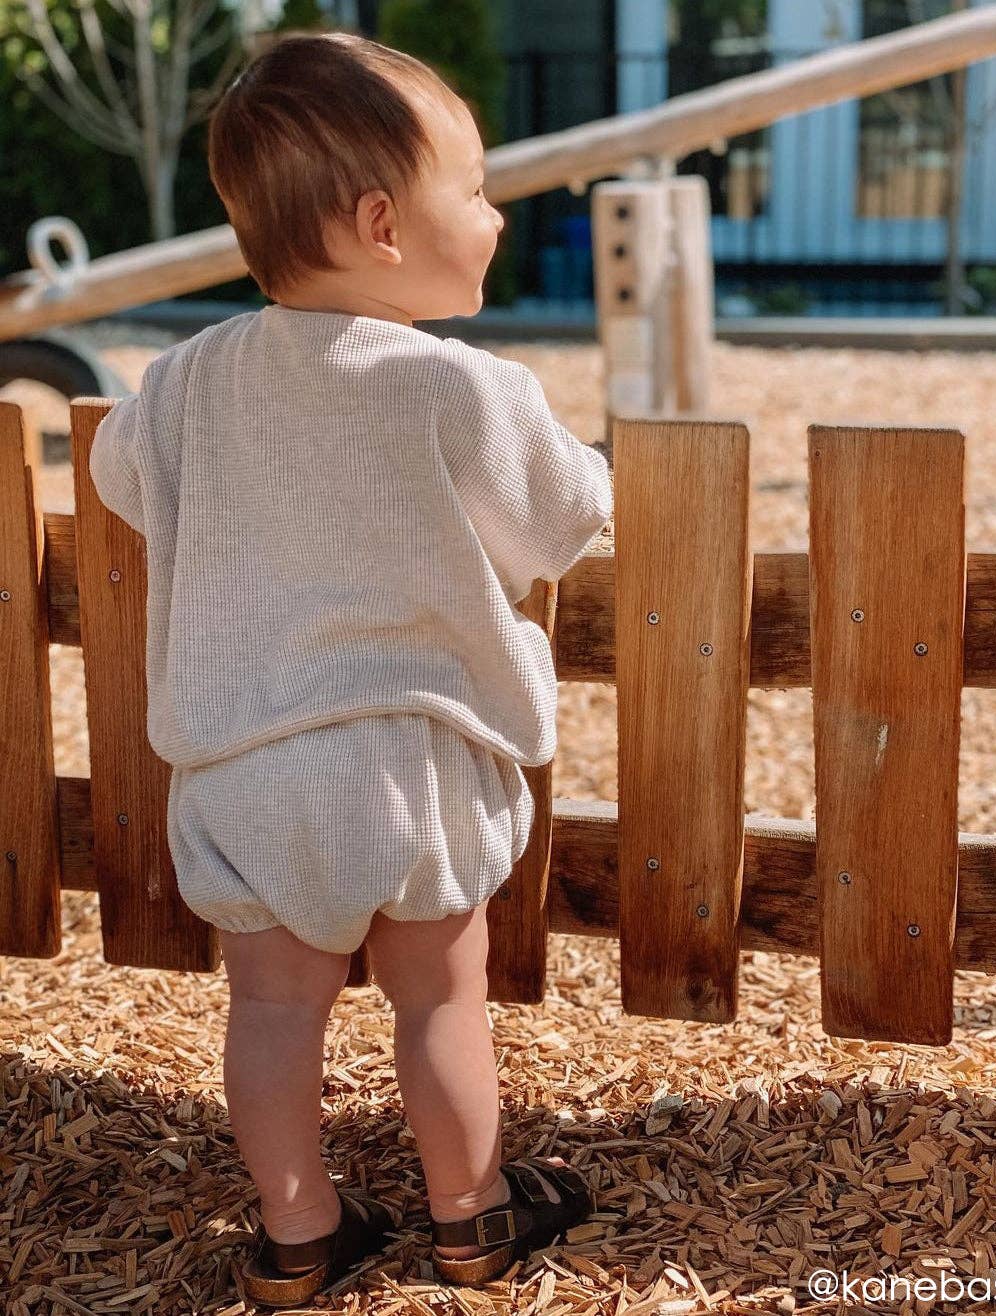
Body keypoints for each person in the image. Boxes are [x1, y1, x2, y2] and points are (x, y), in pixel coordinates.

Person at [87, 31, 612, 1307]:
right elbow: (564, 520)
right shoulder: (457, 386)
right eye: (476, 190)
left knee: (272, 1010)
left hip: (249, 773)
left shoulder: (186, 379)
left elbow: (119, 479)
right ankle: (472, 1216)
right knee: (438, 996)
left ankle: (298, 1230)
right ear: (383, 222)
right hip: (409, 764)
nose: (493, 216)